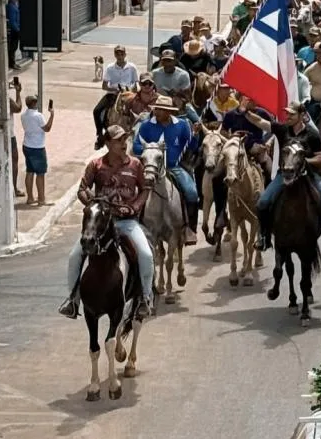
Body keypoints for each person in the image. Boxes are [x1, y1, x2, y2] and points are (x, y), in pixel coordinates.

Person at [60, 126, 153, 320]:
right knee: (75, 256)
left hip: (126, 222)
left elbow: (145, 189)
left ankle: (145, 298)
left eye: (124, 140)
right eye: (118, 140)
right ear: (108, 143)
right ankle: (73, 300)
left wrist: (134, 207)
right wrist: (92, 203)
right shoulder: (95, 165)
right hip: (100, 226)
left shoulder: (135, 165)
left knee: (145, 254)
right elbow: (82, 189)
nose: (123, 144)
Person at [245, 101, 321, 252]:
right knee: (262, 202)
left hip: (308, 175)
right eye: (287, 113)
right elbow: (260, 122)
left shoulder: (312, 134)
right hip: (284, 174)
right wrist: (245, 111)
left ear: (301, 115)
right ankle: (264, 237)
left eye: (291, 114)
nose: (287, 116)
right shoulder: (282, 129)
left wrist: (304, 161)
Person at [132, 95, 199, 244]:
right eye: (157, 109)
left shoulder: (182, 125)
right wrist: (151, 148)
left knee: (192, 193)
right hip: (149, 168)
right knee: (134, 192)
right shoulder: (146, 125)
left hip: (174, 167)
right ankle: (135, 224)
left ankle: (190, 229)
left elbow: (192, 147)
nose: (157, 112)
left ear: (169, 112)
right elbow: (136, 146)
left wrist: (195, 135)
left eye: (161, 110)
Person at [93, 45, 139, 149]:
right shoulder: (110, 68)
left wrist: (132, 93)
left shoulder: (132, 67)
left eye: (122, 53)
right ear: (115, 55)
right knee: (97, 110)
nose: (120, 56)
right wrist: (114, 89)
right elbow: (104, 86)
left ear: (125, 54)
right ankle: (100, 135)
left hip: (128, 94)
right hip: (113, 94)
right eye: (117, 53)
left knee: (139, 112)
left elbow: (135, 85)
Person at [20, 93, 54, 206]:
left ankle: (30, 198)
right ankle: (41, 199)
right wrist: (52, 115)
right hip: (37, 147)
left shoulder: (23, 115)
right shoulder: (38, 116)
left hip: (27, 145)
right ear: (34, 103)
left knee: (30, 171)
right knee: (40, 173)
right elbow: (47, 128)